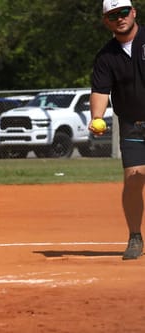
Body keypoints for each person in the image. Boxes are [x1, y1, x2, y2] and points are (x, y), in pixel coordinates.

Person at [90, 0, 144, 260]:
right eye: (113, 15)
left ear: (134, 12)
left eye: (124, 12)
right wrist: (96, 117)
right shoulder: (106, 56)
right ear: (106, 22)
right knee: (134, 180)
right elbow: (100, 90)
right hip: (132, 123)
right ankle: (135, 236)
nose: (120, 18)